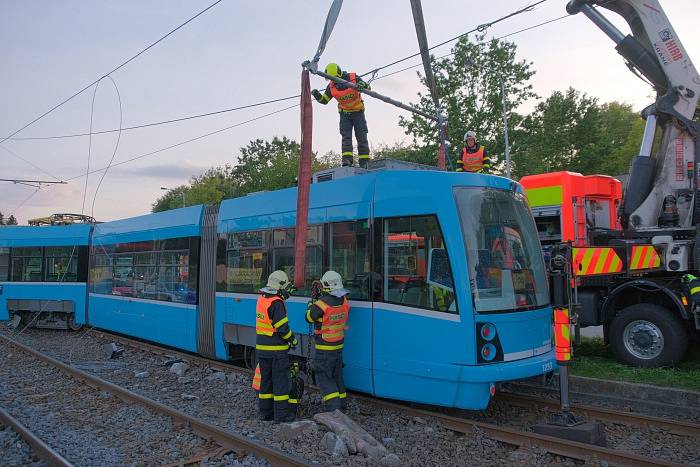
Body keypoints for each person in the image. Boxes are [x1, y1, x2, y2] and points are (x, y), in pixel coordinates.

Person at [255, 270, 298, 422]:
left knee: (265, 382)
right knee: (280, 382)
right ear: (280, 286)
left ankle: (266, 413)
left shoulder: (262, 298)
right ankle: (281, 415)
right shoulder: (277, 303)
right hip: (276, 350)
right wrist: (293, 340)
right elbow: (282, 328)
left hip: (262, 349)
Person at [305, 270, 350, 412]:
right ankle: (342, 407)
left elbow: (309, 318)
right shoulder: (344, 301)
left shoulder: (321, 304)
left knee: (324, 377)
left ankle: (333, 410)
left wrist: (311, 305)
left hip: (325, 348)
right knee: (337, 376)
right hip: (338, 346)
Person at [312, 63, 371, 168]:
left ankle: (365, 162)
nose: (334, 82)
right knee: (346, 138)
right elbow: (324, 100)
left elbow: (368, 87)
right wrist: (317, 95)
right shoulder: (331, 86)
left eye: (335, 78)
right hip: (345, 115)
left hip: (358, 113)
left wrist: (363, 86)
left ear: (339, 74)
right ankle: (347, 161)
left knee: (361, 137)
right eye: (331, 79)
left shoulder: (353, 77)